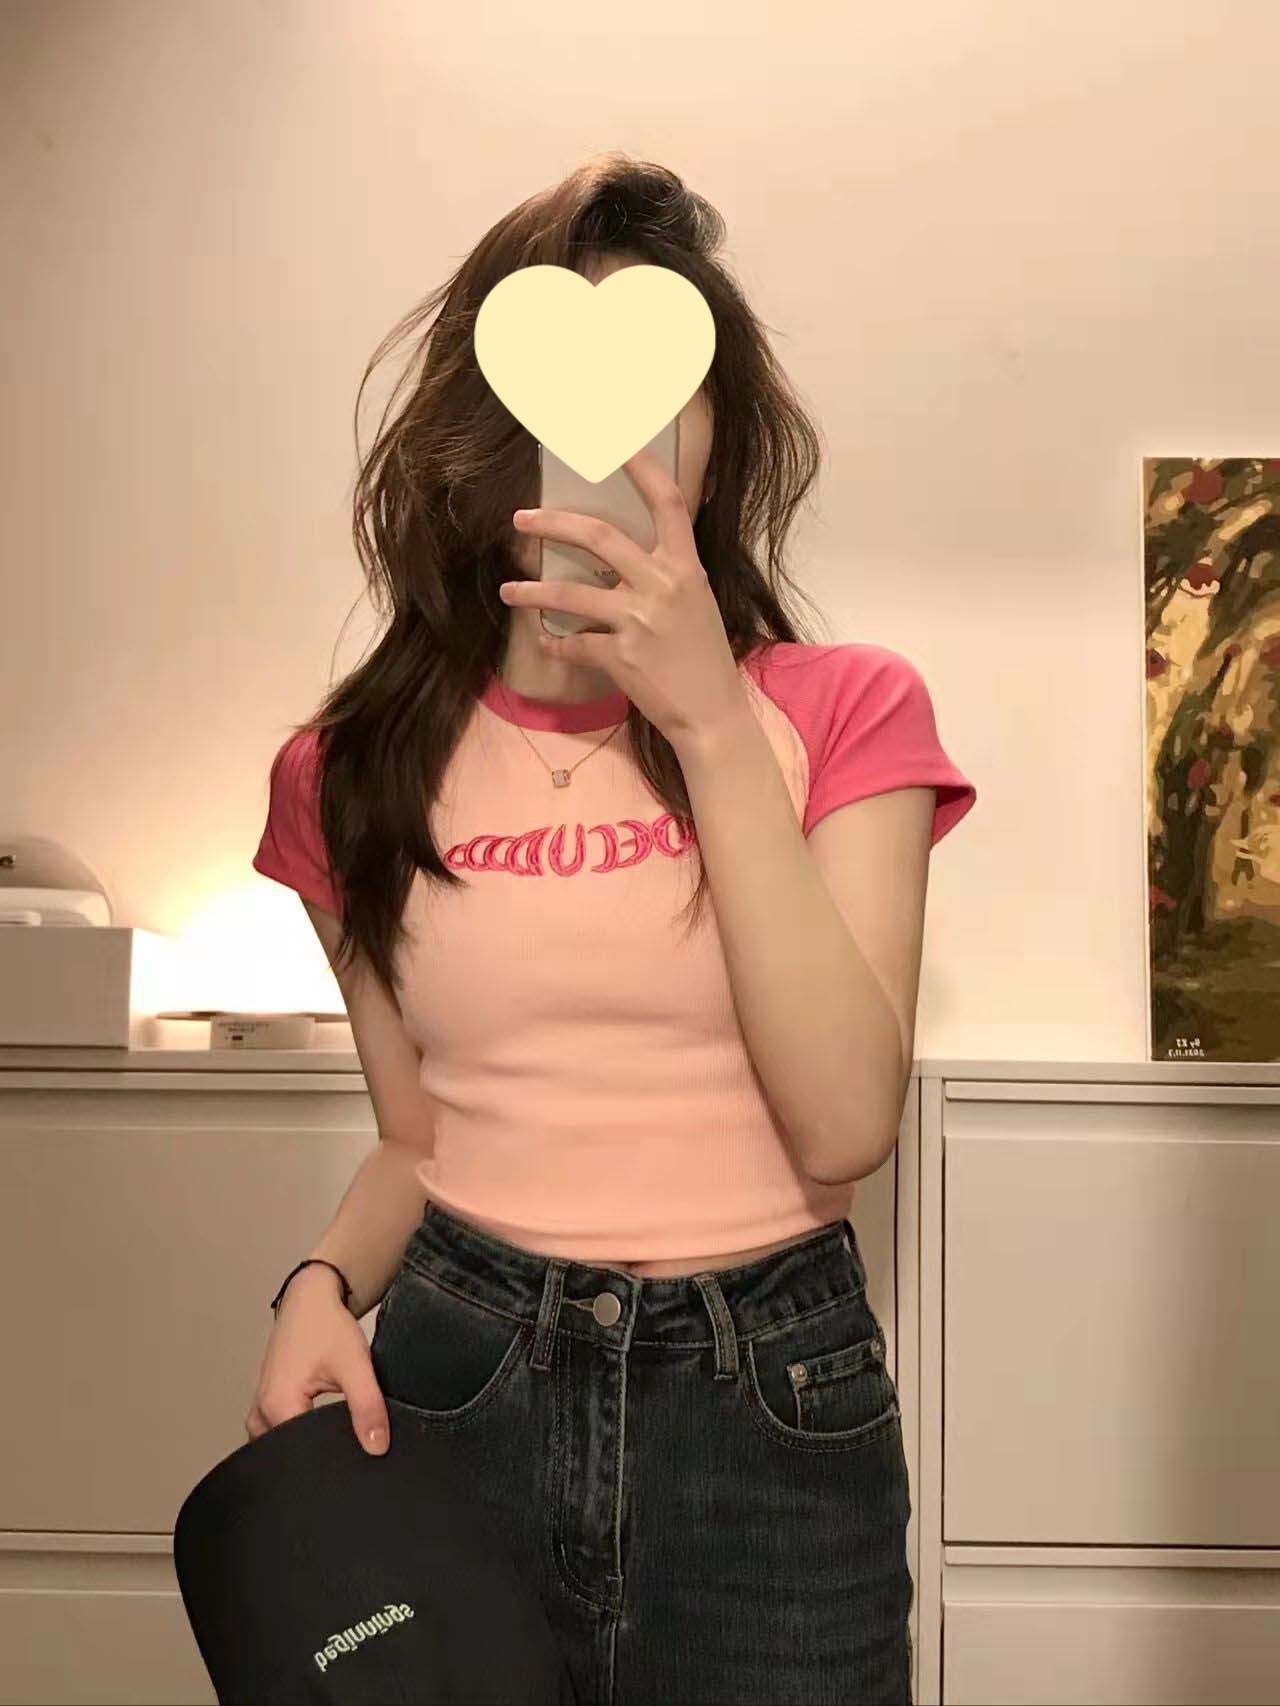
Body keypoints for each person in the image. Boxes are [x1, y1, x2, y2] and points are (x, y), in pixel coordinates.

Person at [248, 151, 977, 1706]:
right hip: (462, 1374)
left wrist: (710, 721)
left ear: (719, 436)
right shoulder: (348, 773)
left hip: (768, 1402)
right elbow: (418, 1137)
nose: (604, 439)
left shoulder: (844, 713)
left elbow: (845, 1120)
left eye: (653, 387)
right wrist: (315, 1285)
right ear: (479, 434)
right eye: (558, 392)